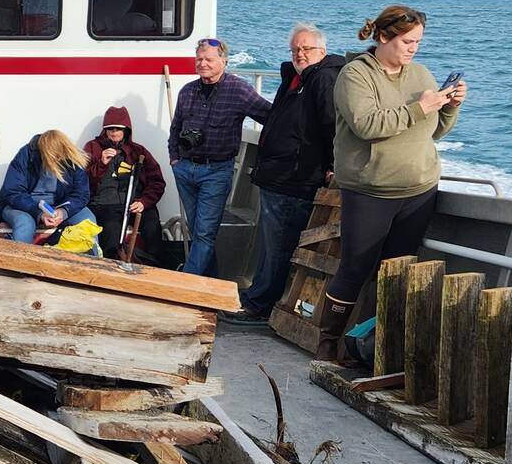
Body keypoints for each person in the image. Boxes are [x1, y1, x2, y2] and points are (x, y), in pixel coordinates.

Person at [317, 5, 467, 362]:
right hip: (370, 190)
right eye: (407, 41)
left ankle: (373, 347)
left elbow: (435, 132)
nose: (414, 48)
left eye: (418, 42)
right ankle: (328, 340)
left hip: (418, 190)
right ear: (383, 37)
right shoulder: (355, 75)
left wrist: (449, 107)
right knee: (355, 267)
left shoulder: (421, 74)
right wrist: (421, 108)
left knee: (395, 272)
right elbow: (368, 125)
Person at [239, 23, 342, 323]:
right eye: (295, 49)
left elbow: (332, 126)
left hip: (295, 179)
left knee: (281, 246)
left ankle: (260, 305)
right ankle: (257, 297)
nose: (300, 53)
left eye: (306, 48)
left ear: (321, 51)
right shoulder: (295, 79)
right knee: (270, 245)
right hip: (276, 176)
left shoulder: (323, 79)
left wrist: (334, 166)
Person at [168, 37, 269, 277]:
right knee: (198, 230)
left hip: (216, 171)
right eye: (199, 59)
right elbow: (176, 128)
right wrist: (174, 159)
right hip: (185, 169)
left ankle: (187, 285)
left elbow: (270, 116)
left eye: (209, 59)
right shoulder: (187, 91)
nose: (203, 63)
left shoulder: (239, 89)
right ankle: (213, 283)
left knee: (204, 233)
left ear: (223, 61)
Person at [83, 106, 166, 262]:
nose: (114, 132)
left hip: (135, 203)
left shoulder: (138, 151)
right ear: (105, 130)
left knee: (151, 224)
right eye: (110, 128)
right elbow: (82, 181)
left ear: (126, 130)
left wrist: (144, 202)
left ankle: (156, 269)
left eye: (118, 129)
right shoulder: (92, 147)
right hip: (104, 205)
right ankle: (109, 275)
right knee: (111, 234)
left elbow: (157, 181)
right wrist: (101, 163)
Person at [0, 130, 92, 247]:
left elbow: (81, 194)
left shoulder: (72, 158)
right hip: (24, 206)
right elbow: (13, 192)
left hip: (60, 205)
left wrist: (63, 212)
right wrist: (40, 213)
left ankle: (93, 261)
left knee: (88, 220)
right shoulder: (25, 155)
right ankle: (21, 261)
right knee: (24, 224)